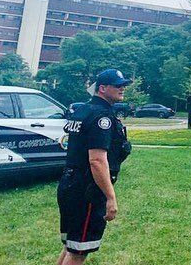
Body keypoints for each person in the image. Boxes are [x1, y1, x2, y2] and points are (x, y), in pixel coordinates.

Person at [56, 69, 132, 264]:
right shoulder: (101, 117)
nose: (122, 88)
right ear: (102, 88)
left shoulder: (83, 110)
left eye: (123, 84)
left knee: (72, 246)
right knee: (78, 251)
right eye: (118, 85)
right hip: (87, 190)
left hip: (70, 183)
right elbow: (97, 161)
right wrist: (110, 197)